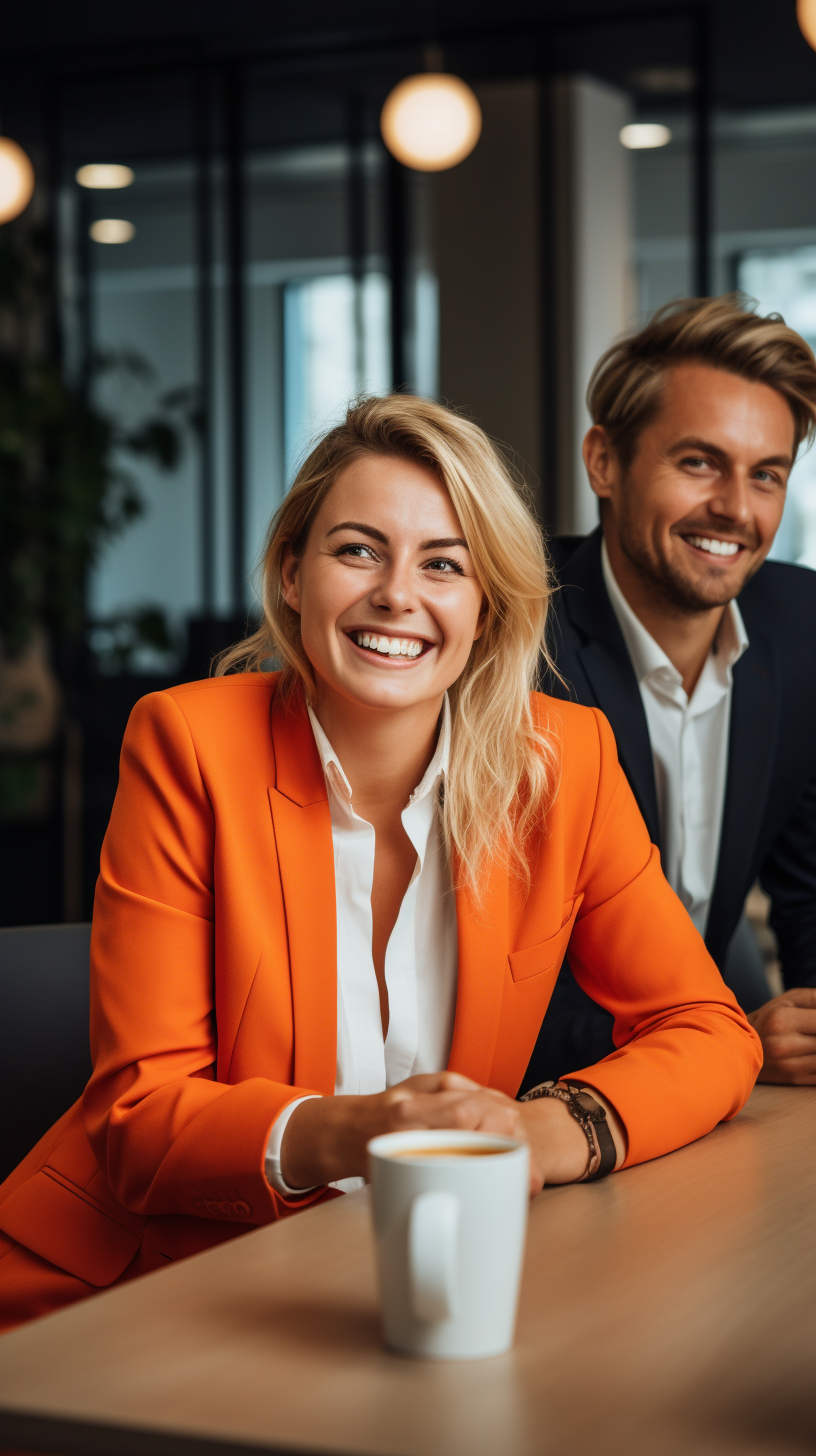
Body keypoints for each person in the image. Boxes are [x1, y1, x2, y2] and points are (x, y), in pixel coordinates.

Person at [0, 395, 760, 1333]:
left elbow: (709, 1029)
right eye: (358, 550)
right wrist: (361, 1131)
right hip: (132, 1290)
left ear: (487, 609)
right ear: (291, 574)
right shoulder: (187, 745)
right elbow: (139, 1121)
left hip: (401, 1283)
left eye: (444, 564)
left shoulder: (564, 765)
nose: (398, 594)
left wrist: (536, 1133)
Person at [526, 296, 816, 1091]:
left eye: (767, 475)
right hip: (542, 1087)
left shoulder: (801, 629)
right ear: (604, 462)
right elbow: (486, 979)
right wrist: (716, 1040)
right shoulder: (512, 644)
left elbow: (808, 891)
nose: (735, 507)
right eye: (698, 462)